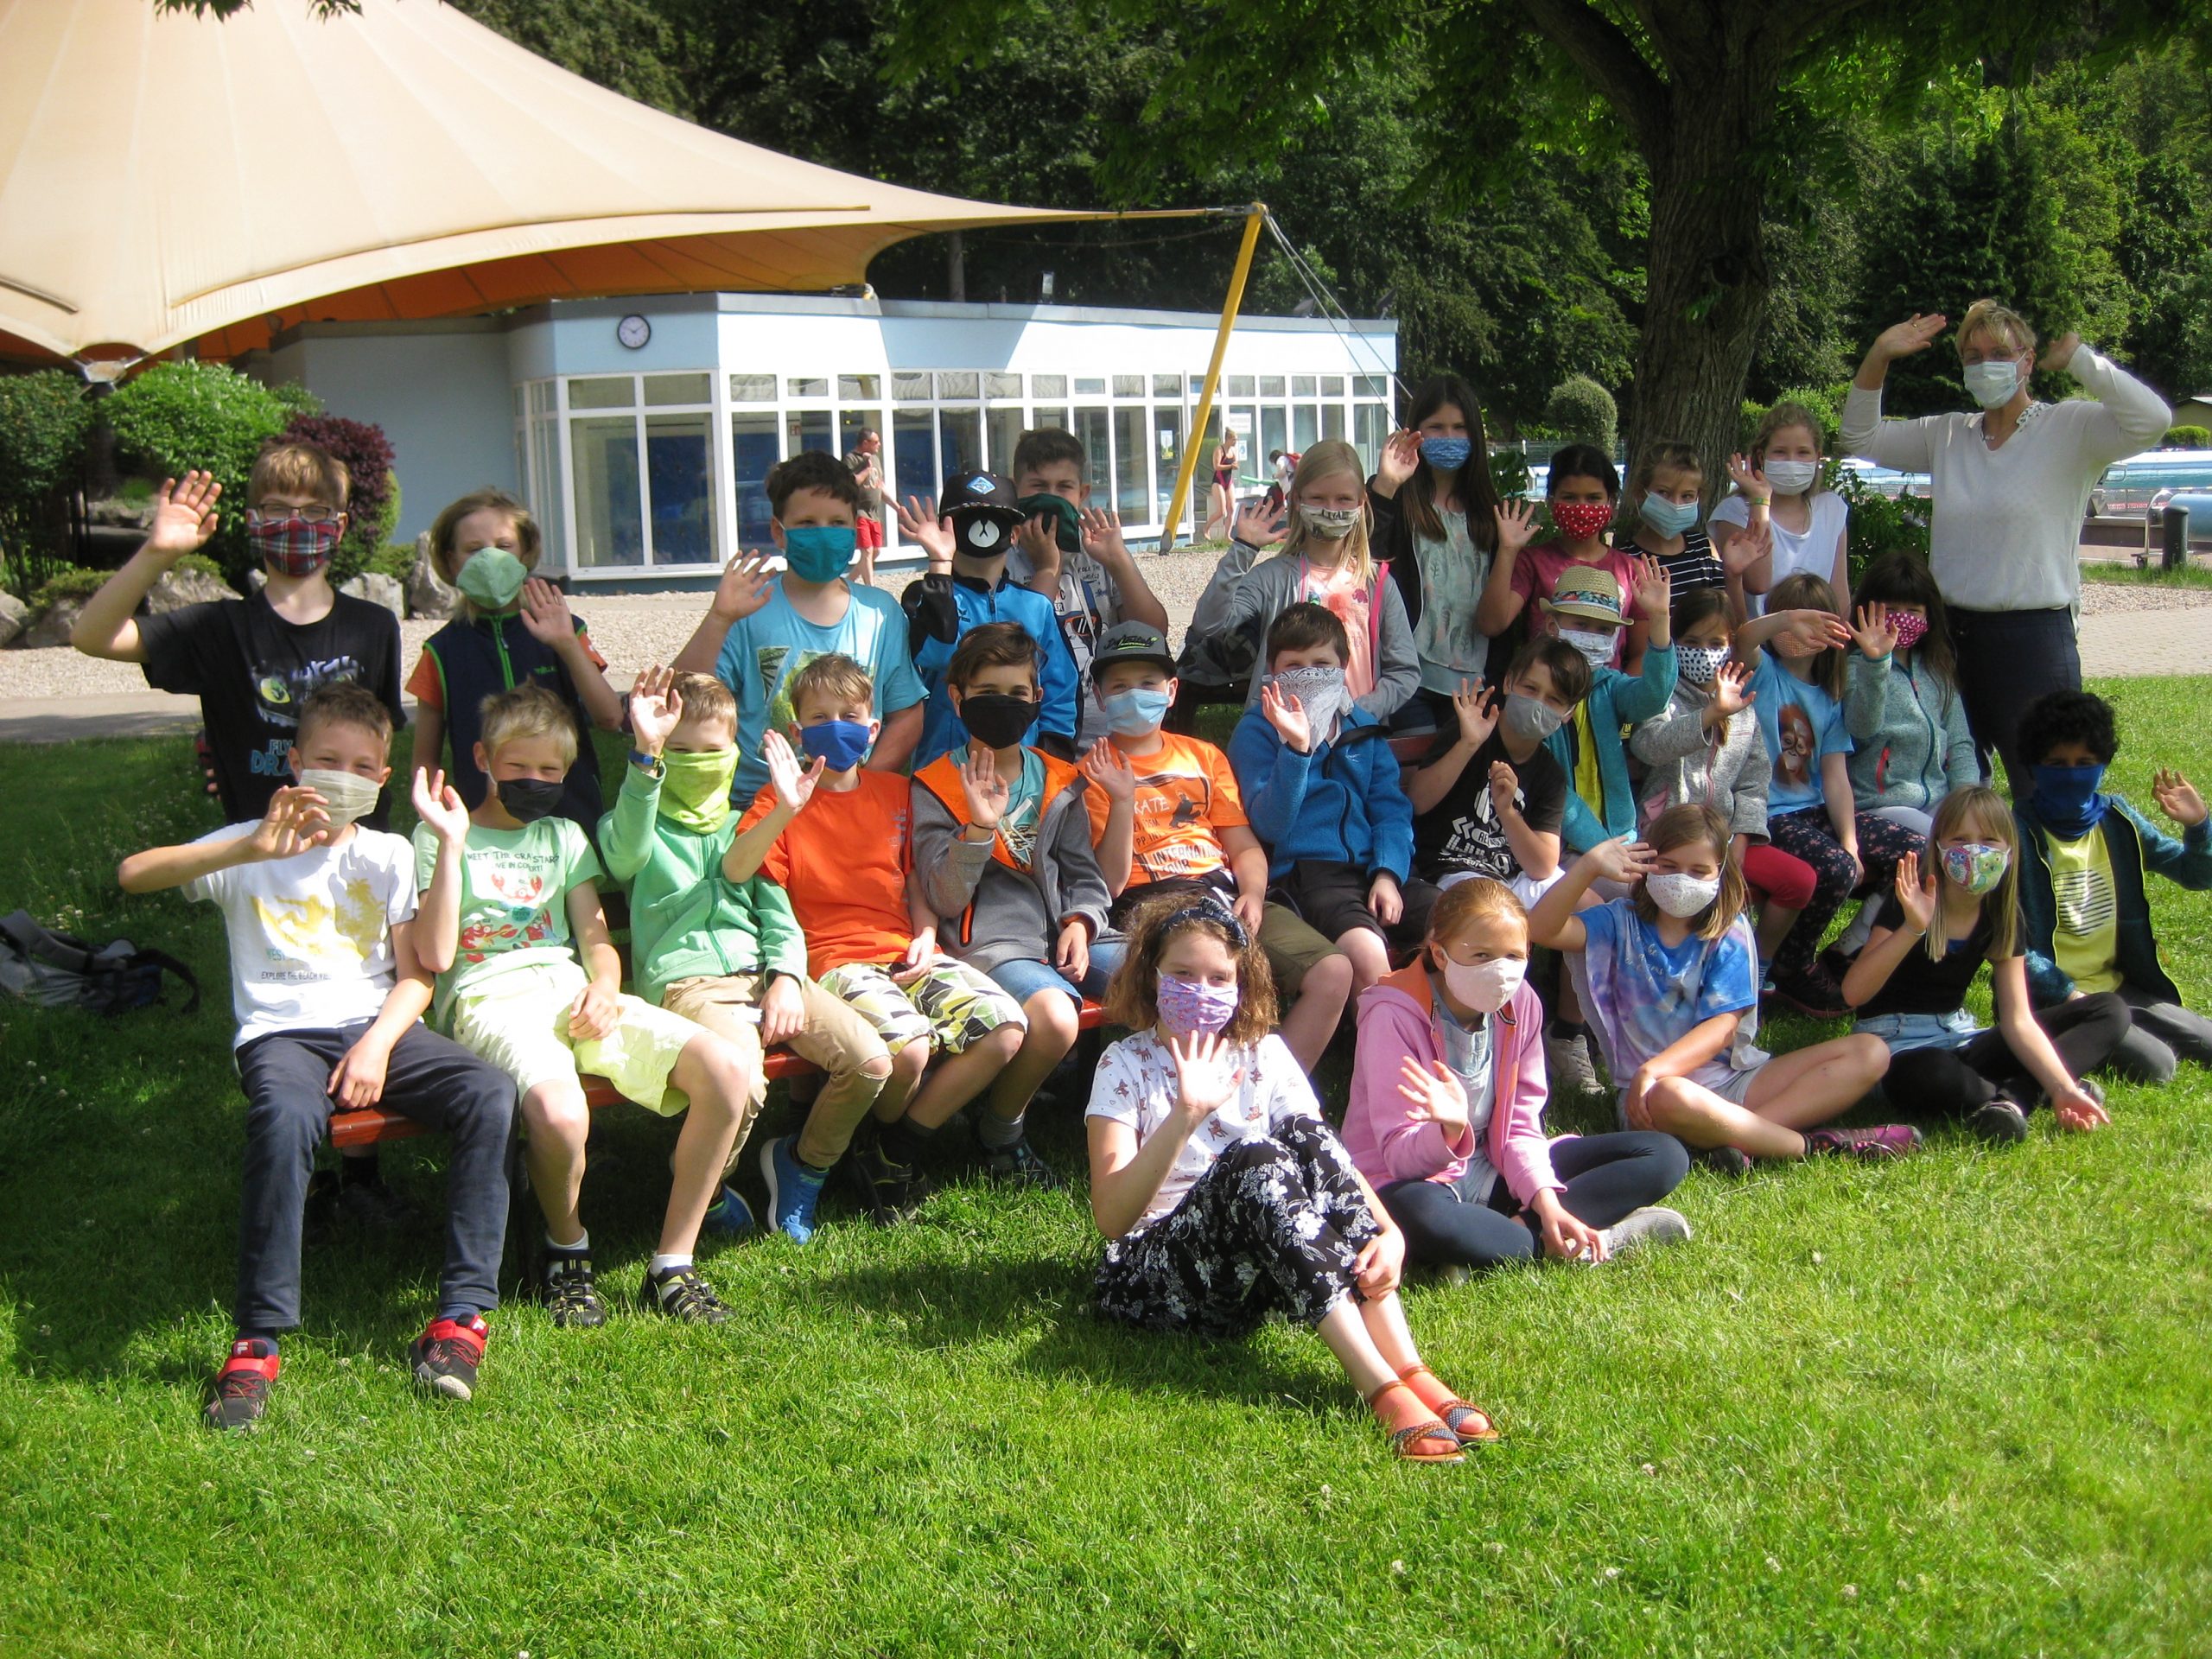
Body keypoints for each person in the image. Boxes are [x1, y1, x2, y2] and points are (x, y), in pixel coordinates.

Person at [118, 684, 514, 1428]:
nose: (343, 777)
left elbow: (419, 975)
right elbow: (134, 874)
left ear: (382, 779)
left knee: (489, 1092)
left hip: (376, 1027)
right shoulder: (250, 844)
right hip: (281, 1035)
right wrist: (247, 848)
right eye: (327, 760)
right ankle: (255, 1343)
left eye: (362, 767)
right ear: (296, 764)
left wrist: (375, 1045)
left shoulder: (388, 853)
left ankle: (461, 1318)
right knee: (285, 1118)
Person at [1085, 895, 1493, 1465]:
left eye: (1218, 978)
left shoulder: (1267, 1055)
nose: (1201, 990)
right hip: (1157, 1279)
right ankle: (1379, 1386)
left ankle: (1410, 1368)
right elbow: (1111, 1218)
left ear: (1241, 984)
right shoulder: (1124, 1064)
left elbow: (1328, 1159)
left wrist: (1389, 1230)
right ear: (1151, 975)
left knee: (1303, 1132)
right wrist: (1185, 1115)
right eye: (1182, 974)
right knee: (1255, 1156)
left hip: (1260, 1279)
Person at [411, 684, 757, 1328]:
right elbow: (434, 955)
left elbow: (597, 941)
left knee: (727, 1069)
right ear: (483, 759)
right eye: (519, 766)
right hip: (489, 998)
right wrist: (452, 846)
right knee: (560, 1112)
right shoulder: (439, 836)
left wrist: (604, 987)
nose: (535, 779)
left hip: (571, 991)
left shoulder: (564, 836)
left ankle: (674, 1262)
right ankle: (567, 1249)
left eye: (550, 769)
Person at [724, 652, 1029, 1224]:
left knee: (1005, 1026)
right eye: (820, 716)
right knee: (910, 1051)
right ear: (798, 731)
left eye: (849, 716)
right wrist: (785, 808)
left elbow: (912, 876)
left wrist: (926, 932)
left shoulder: (893, 791)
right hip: (835, 962)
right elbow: (739, 869)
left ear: (872, 729)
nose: (835, 726)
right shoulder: (775, 802)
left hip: (907, 950)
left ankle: (891, 1149)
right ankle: (836, 1157)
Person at [598, 666, 890, 1246]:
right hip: (690, 985)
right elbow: (624, 857)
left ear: (734, 751)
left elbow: (778, 914)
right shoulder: (636, 819)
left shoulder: (745, 824)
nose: (697, 762)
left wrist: (786, 977)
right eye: (681, 751)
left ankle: (805, 1165)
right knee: (745, 1084)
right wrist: (645, 758)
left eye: (711, 751)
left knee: (870, 1061)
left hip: (763, 975)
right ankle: (705, 1187)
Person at [1841, 302, 2172, 784]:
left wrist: (2080, 360)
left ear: (2027, 360)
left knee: (2044, 782)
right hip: (1950, 637)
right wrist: (1880, 355)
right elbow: (1860, 437)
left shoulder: (2069, 427)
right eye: (1973, 356)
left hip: (2033, 637)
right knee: (1955, 783)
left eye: (1999, 353)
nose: (1986, 365)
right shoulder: (1949, 434)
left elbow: (2153, 420)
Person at [1527, 805, 1916, 1173]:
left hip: (1732, 1080)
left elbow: (1723, 1027)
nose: (1683, 879)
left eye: (1699, 871)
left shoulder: (1729, 930)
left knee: (1870, 1051)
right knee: (1673, 1094)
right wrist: (1589, 866)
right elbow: (1542, 929)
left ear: (1720, 873)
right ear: (1646, 863)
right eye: (1669, 866)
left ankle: (1742, 1139)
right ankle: (1811, 1145)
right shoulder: (1617, 922)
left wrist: (1653, 1067)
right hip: (1653, 1097)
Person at [1344, 878, 1692, 1274]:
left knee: (1664, 1155)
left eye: (1513, 955)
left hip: (1495, 1167)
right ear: (1440, 954)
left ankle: (1515, 1238)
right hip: (1415, 1179)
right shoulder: (1391, 1016)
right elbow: (1398, 1157)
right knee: (1426, 1219)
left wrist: (1545, 1200)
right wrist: (1449, 1132)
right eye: (1481, 955)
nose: (1500, 971)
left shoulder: (1521, 1002)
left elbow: (1520, 1128)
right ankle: (1589, 1239)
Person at [72, 443, 405, 827]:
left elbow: (381, 740)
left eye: (315, 510)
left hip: (357, 845)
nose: (295, 521)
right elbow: (93, 637)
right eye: (277, 508)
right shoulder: (216, 629)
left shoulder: (375, 626)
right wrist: (156, 553)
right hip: (255, 849)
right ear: (254, 521)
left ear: (339, 526)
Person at [1077, 620, 1354, 1069]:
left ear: (1171, 691)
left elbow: (1243, 845)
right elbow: (1110, 881)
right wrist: (1123, 800)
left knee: (1333, 971)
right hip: (1149, 905)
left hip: (1223, 896)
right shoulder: (1088, 775)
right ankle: (1204, 1091)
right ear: (1100, 696)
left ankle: (1273, 1093)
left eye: (1147, 683)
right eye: (1120, 686)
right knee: (1204, 980)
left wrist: (1254, 894)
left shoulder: (1203, 756)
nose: (1135, 694)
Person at [911, 623, 1111, 1185]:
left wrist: (1082, 920)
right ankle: (1000, 1132)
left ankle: (1147, 1106)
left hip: (1064, 935)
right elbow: (944, 895)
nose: (1004, 704)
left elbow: (1084, 874)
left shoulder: (1060, 780)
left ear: (1038, 697)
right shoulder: (934, 785)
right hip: (990, 944)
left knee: (1163, 976)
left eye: (1018, 693)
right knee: (1055, 1018)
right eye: (988, 693)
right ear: (958, 699)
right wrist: (977, 830)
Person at [1841, 791, 2125, 1144]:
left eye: (1989, 840)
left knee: (2108, 1009)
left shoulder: (2001, 914)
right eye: (1960, 839)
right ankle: (2019, 1093)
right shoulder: (1910, 901)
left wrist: (2063, 1088)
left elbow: (2018, 1020)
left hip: (1962, 1038)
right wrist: (1913, 928)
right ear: (1938, 847)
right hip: (1897, 1047)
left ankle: (2020, 1098)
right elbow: (1854, 993)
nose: (1975, 851)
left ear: (2009, 852)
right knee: (1934, 1074)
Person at [669, 449, 925, 804]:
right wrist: (719, 619)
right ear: (779, 531)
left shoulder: (880, 613)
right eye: (807, 523)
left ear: (855, 527)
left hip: (851, 802)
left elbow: (907, 714)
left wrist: (863, 788)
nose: (823, 533)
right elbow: (678, 699)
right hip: (760, 803)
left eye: (837, 522)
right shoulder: (749, 610)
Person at [1738, 573, 1923, 1017]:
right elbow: (1743, 638)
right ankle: (1791, 966)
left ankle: (1855, 951)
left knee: (1917, 851)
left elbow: (1835, 775)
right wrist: (1786, 619)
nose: (1799, 635)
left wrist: (1850, 842)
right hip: (1769, 817)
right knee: (1836, 868)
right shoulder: (1763, 674)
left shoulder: (1830, 695)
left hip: (1815, 812)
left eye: (1813, 623)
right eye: (1791, 622)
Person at [2011, 690, 2212, 1083]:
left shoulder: (2119, 820)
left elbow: (2195, 874)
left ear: (2103, 764)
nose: (2072, 774)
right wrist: (2068, 994)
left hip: (2118, 989)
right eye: (2057, 764)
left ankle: (2123, 1024)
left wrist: (2198, 825)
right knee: (2157, 1065)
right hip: (2052, 1000)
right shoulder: (2012, 832)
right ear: (2034, 766)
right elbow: (2010, 946)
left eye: (2084, 763)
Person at [408, 488, 624, 836]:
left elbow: (611, 717)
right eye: (474, 549)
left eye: (503, 545)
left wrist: (567, 644)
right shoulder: (441, 651)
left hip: (572, 823)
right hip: (484, 832)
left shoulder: (567, 629)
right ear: (451, 561)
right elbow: (425, 759)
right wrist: (435, 817)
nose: (489, 558)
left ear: (525, 552)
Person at [1228, 602, 1416, 995]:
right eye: (1294, 666)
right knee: (1368, 957)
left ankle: (1446, 1029)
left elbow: (1390, 810)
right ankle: (1382, 1030)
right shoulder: (1256, 731)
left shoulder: (1362, 727)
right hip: (1308, 876)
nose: (1308, 674)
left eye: (1321, 664)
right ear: (1273, 672)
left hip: (1373, 868)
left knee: (1457, 923)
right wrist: (1296, 751)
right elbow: (1270, 824)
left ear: (1343, 667)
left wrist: (1387, 873)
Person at [1630, 583, 1815, 970]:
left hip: (1726, 836)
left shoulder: (1743, 706)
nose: (1703, 651)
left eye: (1715, 642)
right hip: (1666, 836)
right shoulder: (1659, 694)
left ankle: (1757, 963)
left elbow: (1754, 781)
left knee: (1799, 881)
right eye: (1692, 642)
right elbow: (1649, 746)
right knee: (1695, 897)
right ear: (1675, 642)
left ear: (1730, 645)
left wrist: (1743, 836)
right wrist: (1709, 715)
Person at [1186, 439, 1420, 722]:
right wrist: (1243, 550)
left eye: (1343, 499)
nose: (1331, 509)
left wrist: (1358, 714)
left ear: (1361, 503)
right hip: (1280, 734)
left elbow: (1404, 672)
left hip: (1356, 735)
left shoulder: (1376, 582)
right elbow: (1209, 624)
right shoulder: (1272, 579)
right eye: (1318, 498)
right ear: (1297, 499)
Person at [898, 469, 1080, 764]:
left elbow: (1061, 691)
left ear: (1014, 533)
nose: (982, 526)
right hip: (944, 767)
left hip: (1021, 769)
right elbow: (939, 655)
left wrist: (1049, 762)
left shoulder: (1036, 606)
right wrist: (940, 561)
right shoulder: (925, 595)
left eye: (996, 517)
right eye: (967, 518)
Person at [1006, 427, 1172, 749]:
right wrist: (1048, 566)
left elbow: (1154, 632)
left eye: (1063, 487)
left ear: (1082, 493)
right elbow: (1019, 645)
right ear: (1016, 490)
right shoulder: (1004, 559)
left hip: (1106, 721)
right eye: (1039, 486)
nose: (1051, 498)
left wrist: (1119, 561)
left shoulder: (1097, 554)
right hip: (1036, 722)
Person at [1365, 376, 1510, 726]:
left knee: (1462, 760)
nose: (1449, 437)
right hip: (1408, 677)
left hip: (1474, 682)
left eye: (1460, 428)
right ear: (1415, 430)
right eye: (1436, 427)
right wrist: (1385, 486)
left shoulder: (1491, 512)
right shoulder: (1393, 496)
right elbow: (1365, 561)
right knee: (1415, 758)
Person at [1403, 640, 1573, 921]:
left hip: (1511, 877)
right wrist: (1468, 744)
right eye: (1530, 689)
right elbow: (1418, 802)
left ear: (1568, 713)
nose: (1538, 703)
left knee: (1587, 903)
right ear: (1508, 682)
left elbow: (1542, 867)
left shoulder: (1550, 774)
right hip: (1452, 870)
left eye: (1553, 699)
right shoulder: (1469, 730)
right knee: (1491, 915)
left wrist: (1507, 812)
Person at [1475, 442, 1649, 672]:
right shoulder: (1532, 562)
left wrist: (1622, 693)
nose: (1582, 508)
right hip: (1544, 689)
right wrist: (1507, 550)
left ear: (1611, 502)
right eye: (1569, 497)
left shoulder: (1631, 570)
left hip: (1609, 691)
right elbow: (1491, 624)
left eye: (1593, 498)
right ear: (1551, 501)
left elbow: (1640, 654)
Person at [1843, 552, 1978, 836]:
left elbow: (1960, 743)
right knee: (1942, 844)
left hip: (1939, 801)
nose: (1901, 619)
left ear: (1929, 614)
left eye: (1913, 611)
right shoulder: (1855, 668)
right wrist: (1876, 663)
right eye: (1891, 609)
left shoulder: (1937, 669)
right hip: (1881, 806)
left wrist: (1966, 801)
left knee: (1988, 838)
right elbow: (1861, 730)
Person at [1712, 404, 1849, 617]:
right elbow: (1757, 584)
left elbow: (1839, 594)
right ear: (1762, 457)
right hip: (1760, 636)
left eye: (1803, 453)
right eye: (1780, 452)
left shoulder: (1831, 508)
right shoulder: (1735, 511)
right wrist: (1760, 501)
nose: (1792, 462)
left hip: (1820, 634)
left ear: (1817, 457)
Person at [1624, 440, 1726, 598]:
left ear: (1698, 497)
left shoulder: (1704, 548)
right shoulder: (1625, 561)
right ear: (1640, 492)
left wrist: (1734, 575)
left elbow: (1726, 610)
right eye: (1663, 492)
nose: (1676, 504)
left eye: (1687, 496)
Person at [845, 428, 886, 583]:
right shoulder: (851, 459)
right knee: (867, 551)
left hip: (874, 513)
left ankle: (849, 581)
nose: (879, 445)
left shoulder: (875, 459)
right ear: (865, 443)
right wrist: (866, 468)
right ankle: (871, 588)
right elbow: (850, 483)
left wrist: (897, 507)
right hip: (859, 511)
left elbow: (880, 485)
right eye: (876, 442)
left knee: (876, 551)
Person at [1204, 428, 1241, 542]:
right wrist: (1231, 466)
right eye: (1234, 440)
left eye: (1236, 440)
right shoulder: (1219, 450)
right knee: (1221, 511)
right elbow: (1217, 466)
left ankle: (1227, 536)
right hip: (1218, 481)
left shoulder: (1233, 450)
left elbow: (1235, 463)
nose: (1235, 442)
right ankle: (1206, 528)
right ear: (1228, 439)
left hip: (1229, 481)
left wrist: (1235, 465)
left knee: (1232, 509)